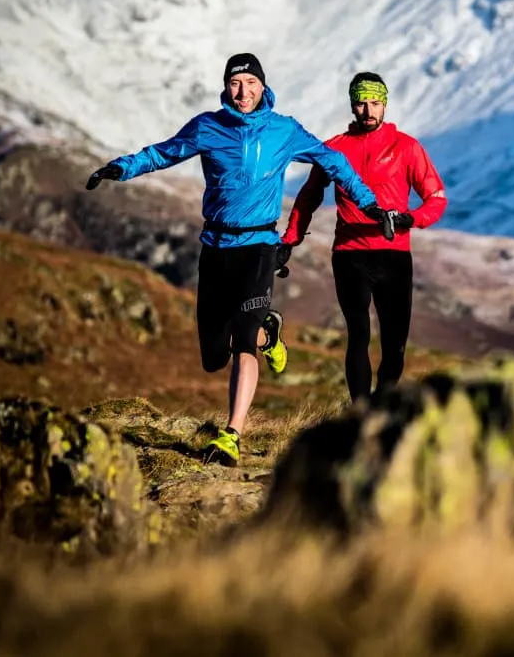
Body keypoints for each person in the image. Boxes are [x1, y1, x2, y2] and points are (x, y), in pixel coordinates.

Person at [84, 53, 394, 466]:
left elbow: (333, 161)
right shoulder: (208, 127)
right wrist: (120, 169)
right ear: (226, 87)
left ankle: (232, 435)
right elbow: (164, 153)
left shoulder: (283, 130)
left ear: (263, 87)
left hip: (258, 247)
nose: (244, 91)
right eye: (236, 83)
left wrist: (369, 204)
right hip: (215, 246)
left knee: (242, 338)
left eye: (251, 83)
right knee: (215, 355)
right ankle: (269, 332)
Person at [281, 71, 447, 403]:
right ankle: (360, 412)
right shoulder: (335, 149)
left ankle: (383, 405)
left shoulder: (406, 147)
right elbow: (309, 194)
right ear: (353, 106)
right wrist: (289, 239)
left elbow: (437, 198)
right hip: (350, 254)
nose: (368, 110)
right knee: (358, 334)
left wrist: (410, 219)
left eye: (374, 102)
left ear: (385, 104)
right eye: (361, 103)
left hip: (394, 254)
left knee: (394, 342)